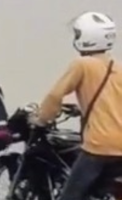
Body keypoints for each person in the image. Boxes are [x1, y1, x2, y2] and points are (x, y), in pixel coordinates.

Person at [32, 12, 122, 200]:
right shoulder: (116, 66)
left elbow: (55, 95)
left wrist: (41, 119)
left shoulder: (81, 64)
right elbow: (109, 99)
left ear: (86, 37)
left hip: (99, 146)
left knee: (71, 195)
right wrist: (78, 107)